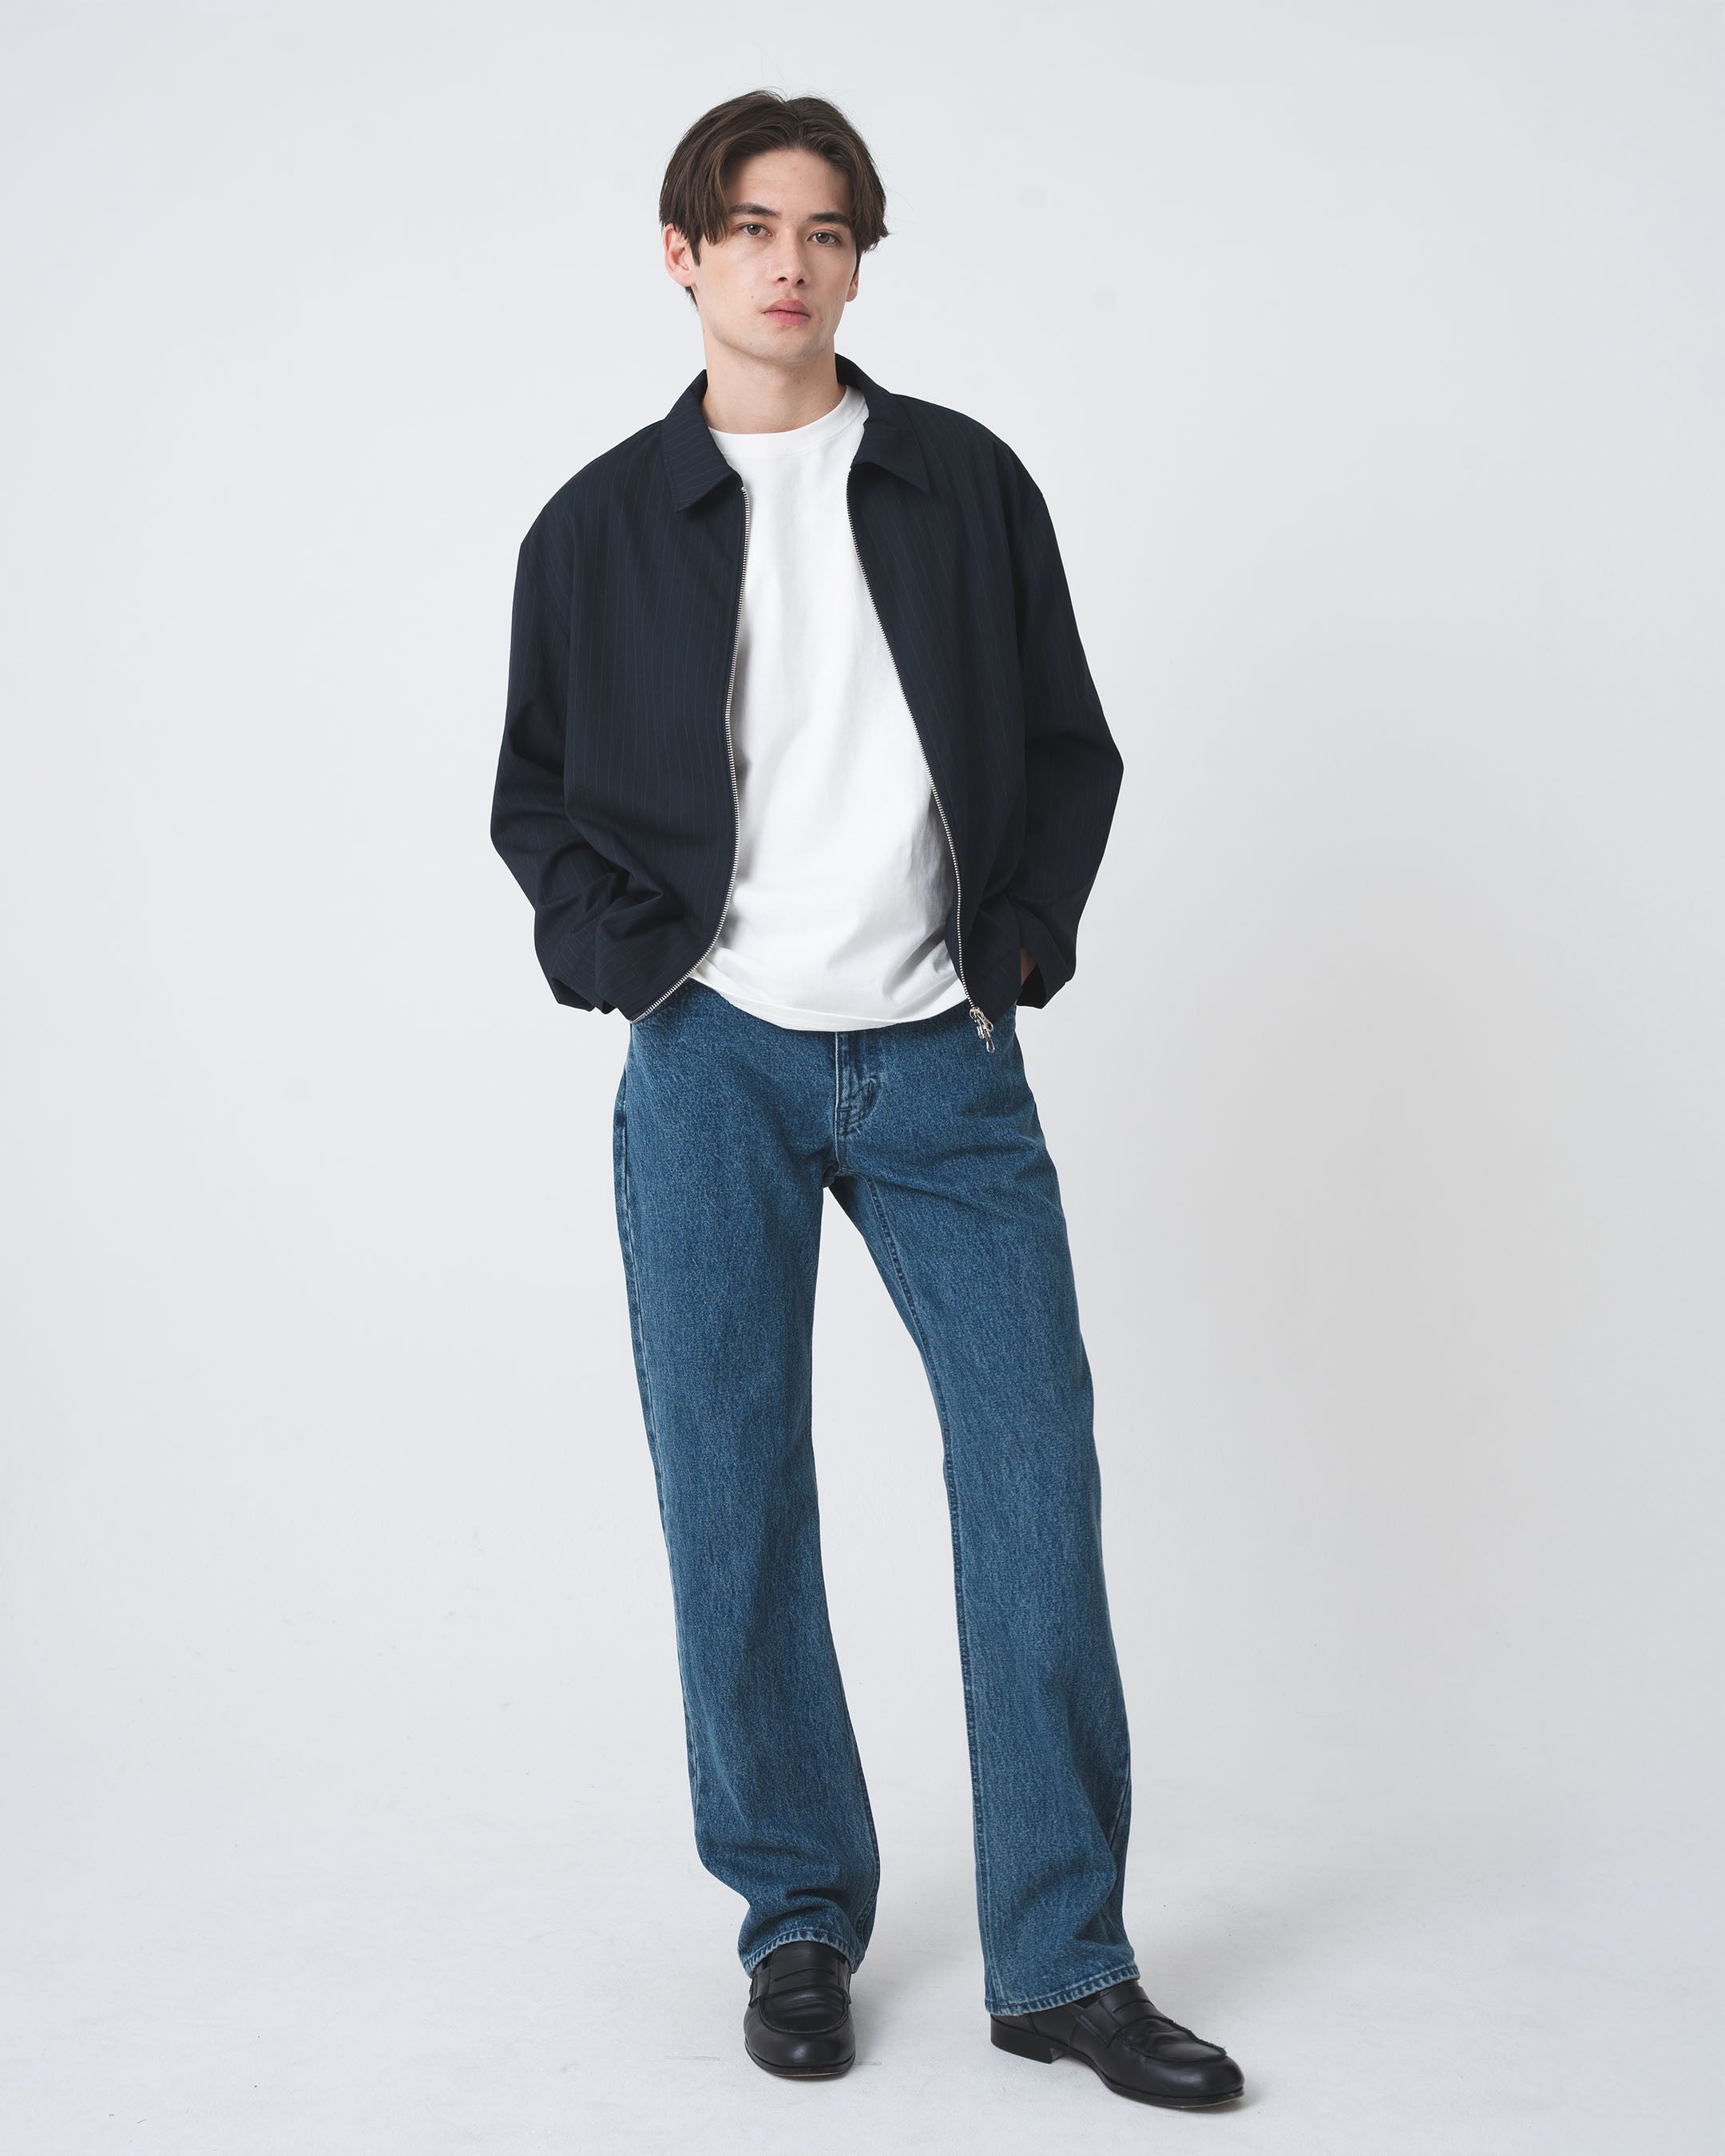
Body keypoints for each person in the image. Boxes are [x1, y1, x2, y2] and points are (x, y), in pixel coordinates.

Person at [490, 88, 1245, 2112]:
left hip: (939, 1060)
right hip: (711, 1058)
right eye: (750, 226)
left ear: (857, 260)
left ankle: (1063, 1961)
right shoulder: (596, 527)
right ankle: (797, 1918)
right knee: (733, 1494)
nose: (788, 263)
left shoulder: (962, 484)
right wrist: (636, 966)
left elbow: (1071, 748)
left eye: (823, 231)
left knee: (1033, 1476)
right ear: (682, 253)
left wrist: (1015, 954)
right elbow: (537, 797)